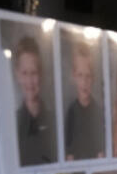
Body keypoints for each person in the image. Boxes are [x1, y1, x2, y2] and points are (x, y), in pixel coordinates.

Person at [13, 35, 55, 165]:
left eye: (34, 73)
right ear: (17, 75)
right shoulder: (13, 124)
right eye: (25, 73)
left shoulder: (54, 121)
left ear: (41, 73)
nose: (30, 81)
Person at [65, 46, 104, 160]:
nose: (84, 82)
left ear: (93, 78)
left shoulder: (97, 112)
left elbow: (101, 154)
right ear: (74, 76)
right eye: (80, 75)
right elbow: (69, 156)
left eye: (88, 76)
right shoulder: (71, 112)